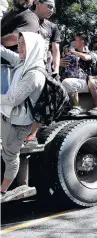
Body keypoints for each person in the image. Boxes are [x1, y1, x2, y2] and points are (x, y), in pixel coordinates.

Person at [1, 32, 46, 202]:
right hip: (6, 115)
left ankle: (3, 190)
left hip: (18, 122)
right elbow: (8, 55)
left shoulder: (34, 73)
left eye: (23, 44)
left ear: (34, 47)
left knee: (10, 155)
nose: (19, 47)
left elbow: (13, 99)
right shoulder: (23, 63)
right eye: (19, 43)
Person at [24, 0, 60, 146]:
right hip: (23, 67)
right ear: (38, 3)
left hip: (44, 70)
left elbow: (55, 50)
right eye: (49, 6)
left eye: (53, 8)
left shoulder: (52, 27)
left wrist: (56, 70)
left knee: (41, 102)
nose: (52, 10)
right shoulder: (24, 18)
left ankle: (32, 136)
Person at [61, 33, 97, 116]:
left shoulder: (93, 54)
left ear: (82, 41)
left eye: (76, 40)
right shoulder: (72, 54)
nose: (74, 42)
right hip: (75, 82)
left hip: (88, 83)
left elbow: (86, 58)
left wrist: (73, 52)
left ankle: (77, 107)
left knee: (67, 82)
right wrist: (60, 62)